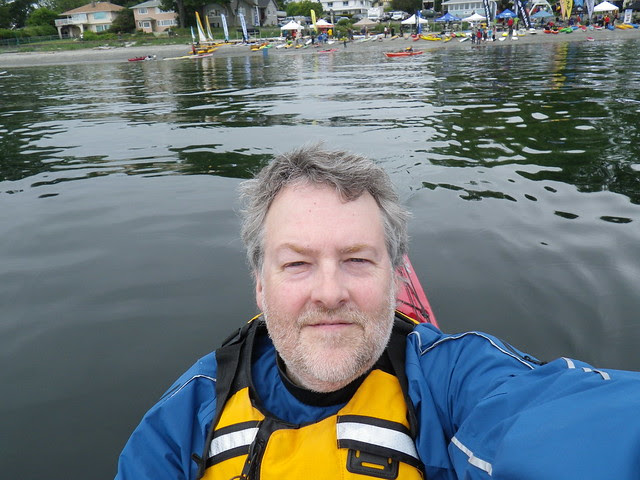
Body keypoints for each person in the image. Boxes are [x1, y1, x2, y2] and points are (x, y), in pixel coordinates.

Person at [116, 146, 640, 480]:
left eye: (358, 260)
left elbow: (578, 427)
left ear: (395, 277)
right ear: (259, 285)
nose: (329, 293)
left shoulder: (452, 383)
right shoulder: (187, 417)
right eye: (297, 264)